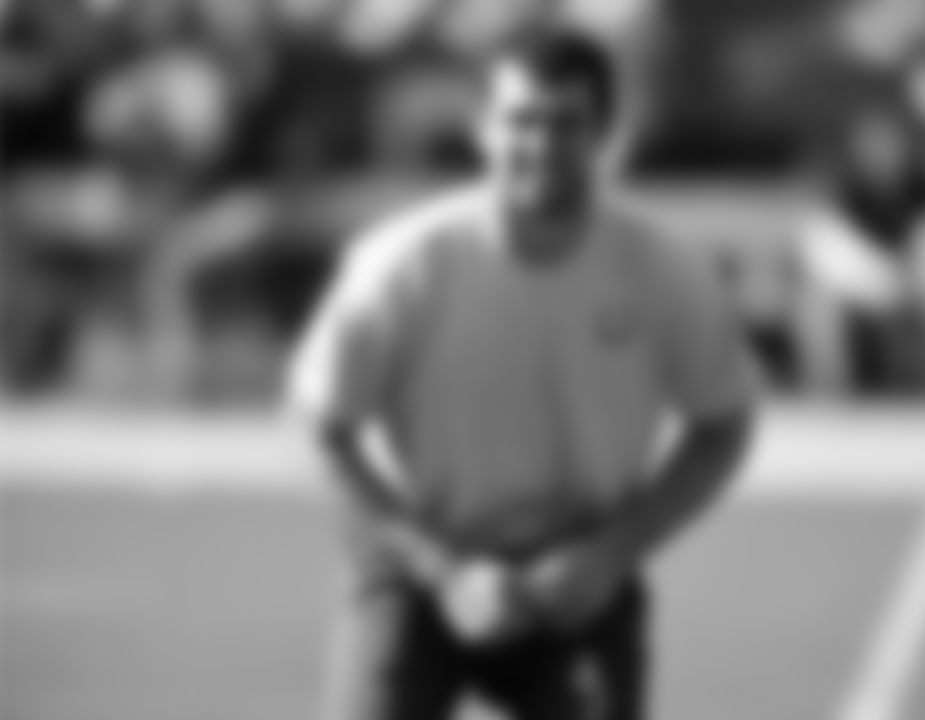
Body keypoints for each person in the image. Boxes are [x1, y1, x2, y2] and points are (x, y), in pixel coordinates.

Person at [287, 27, 759, 720]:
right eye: (521, 120)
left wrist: (613, 552)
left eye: (567, 123)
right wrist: (444, 573)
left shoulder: (660, 269)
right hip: (418, 562)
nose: (541, 144)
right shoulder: (403, 265)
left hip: (581, 577)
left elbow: (724, 422)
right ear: (481, 128)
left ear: (606, 132)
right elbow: (319, 426)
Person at [795, 107, 925, 394]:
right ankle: (829, 395)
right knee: (817, 302)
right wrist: (883, 279)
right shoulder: (842, 191)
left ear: (905, 148)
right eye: (872, 145)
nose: (881, 153)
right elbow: (827, 252)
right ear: (857, 151)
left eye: (889, 144)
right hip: (868, 285)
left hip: (921, 286)